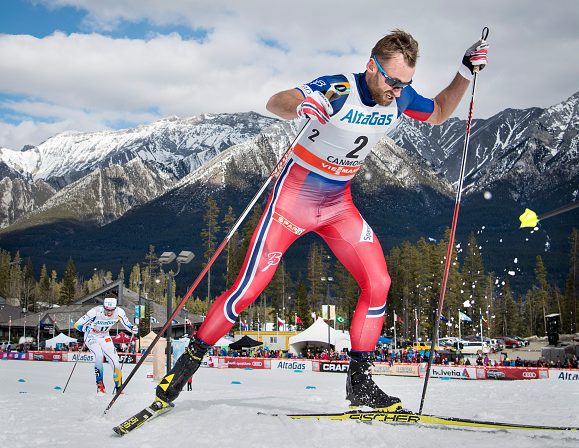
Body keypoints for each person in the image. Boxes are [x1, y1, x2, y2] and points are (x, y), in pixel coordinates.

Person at [152, 29, 488, 413]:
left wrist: (464, 70)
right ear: (371, 66)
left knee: (379, 283)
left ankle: (360, 385)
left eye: (404, 83)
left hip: (338, 206)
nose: (397, 90)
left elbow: (441, 112)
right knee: (247, 290)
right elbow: (277, 101)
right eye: (392, 81)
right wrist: (303, 104)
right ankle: (185, 365)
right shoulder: (339, 88)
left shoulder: (402, 96)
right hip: (291, 203)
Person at [74, 295, 137, 394]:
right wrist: (85, 328)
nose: (109, 312)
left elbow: (127, 325)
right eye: (107, 309)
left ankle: (119, 388)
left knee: (115, 362)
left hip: (105, 336)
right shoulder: (95, 311)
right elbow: (77, 324)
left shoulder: (119, 312)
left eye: (112, 310)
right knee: (99, 356)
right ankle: (100, 386)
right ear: (103, 307)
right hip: (92, 336)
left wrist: (133, 329)